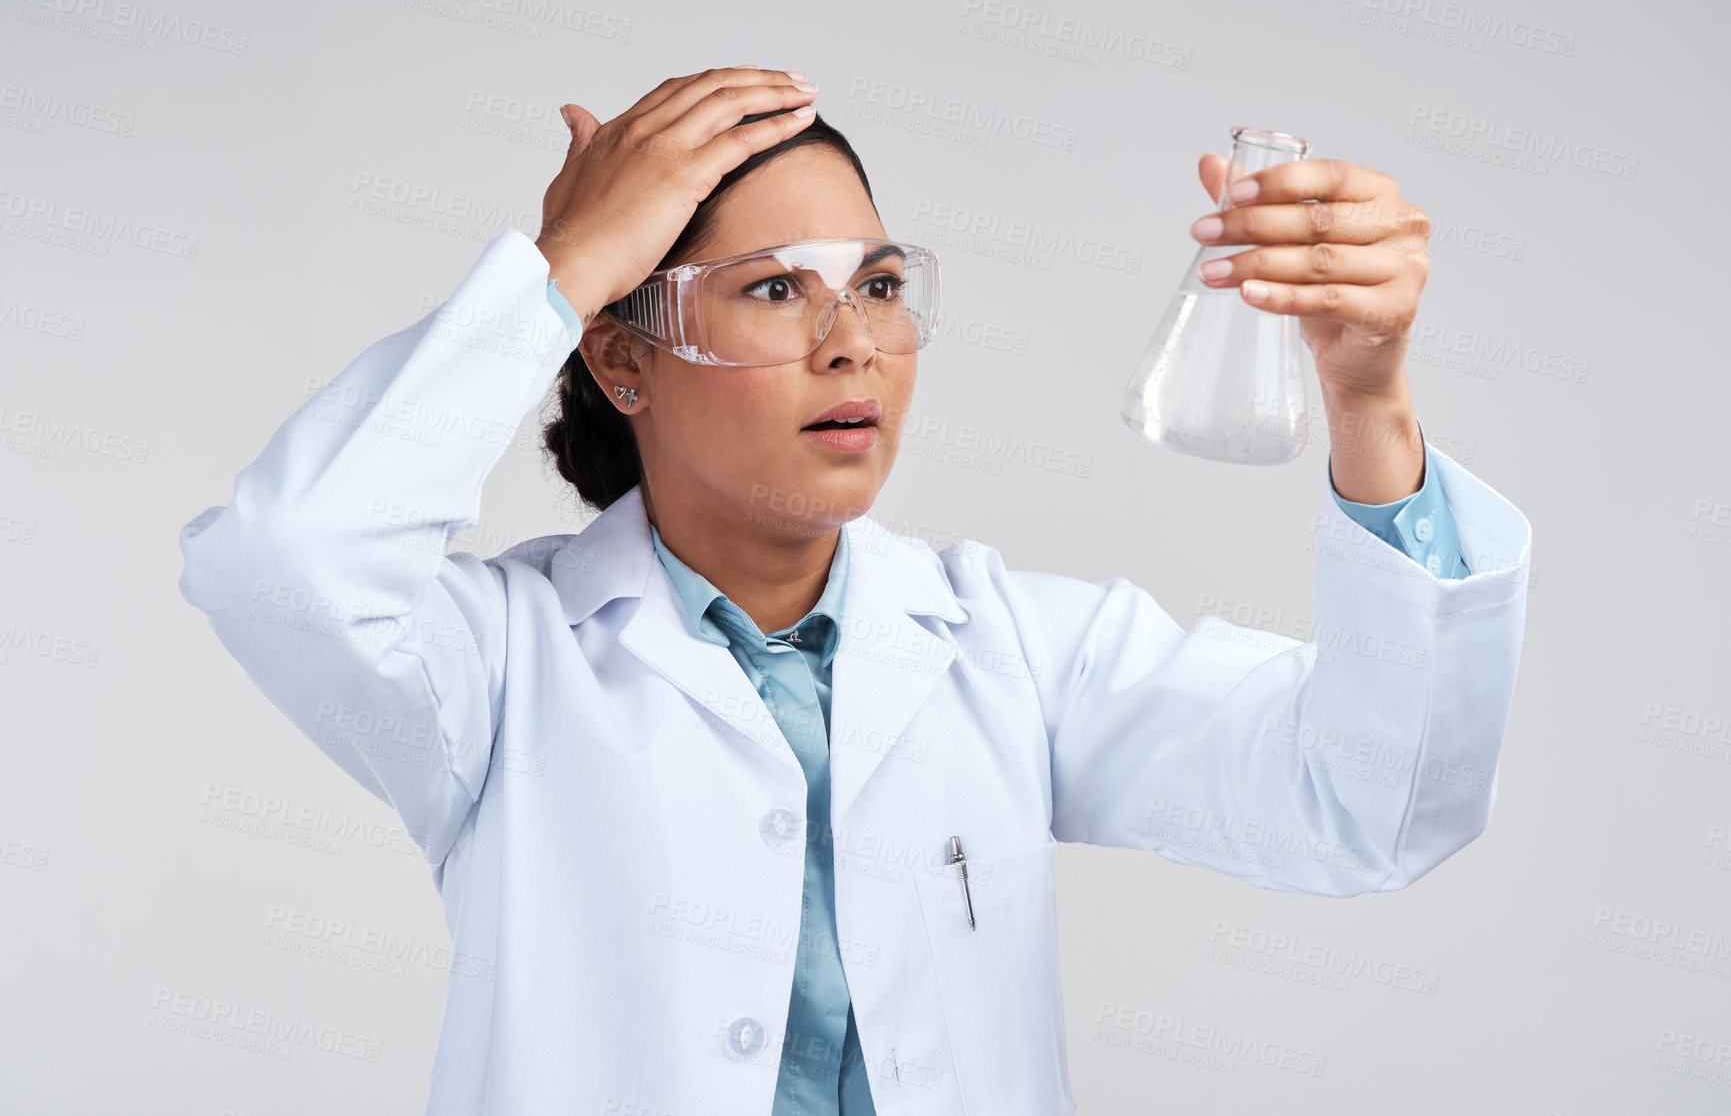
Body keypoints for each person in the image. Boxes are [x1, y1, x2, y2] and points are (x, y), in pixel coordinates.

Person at [176, 65, 1533, 1115]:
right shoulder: (504, 671)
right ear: (625, 362)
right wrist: (561, 268)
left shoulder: (1010, 651)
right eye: (773, 290)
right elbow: (283, 564)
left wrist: (1371, 397)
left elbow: (1372, 803)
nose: (853, 346)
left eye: (879, 285)